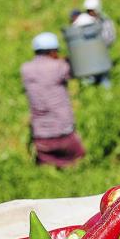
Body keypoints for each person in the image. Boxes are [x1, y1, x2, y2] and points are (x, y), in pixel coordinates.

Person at [20, 32, 86, 167]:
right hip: (63, 133)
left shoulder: (26, 69)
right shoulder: (59, 67)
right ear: (52, 51)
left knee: (48, 169)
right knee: (79, 161)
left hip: (41, 137)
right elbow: (77, 68)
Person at [78, 0, 115, 88]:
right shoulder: (83, 20)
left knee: (105, 82)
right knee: (88, 82)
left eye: (92, 11)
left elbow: (110, 38)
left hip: (102, 57)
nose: (90, 13)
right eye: (88, 11)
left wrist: (97, 44)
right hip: (87, 60)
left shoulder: (105, 21)